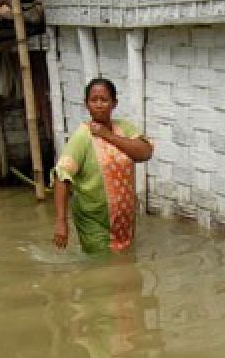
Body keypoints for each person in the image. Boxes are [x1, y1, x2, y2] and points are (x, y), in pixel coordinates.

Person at [52, 78, 153, 253]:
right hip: (94, 222)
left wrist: (107, 135)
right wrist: (61, 221)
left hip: (124, 220)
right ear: (86, 104)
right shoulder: (82, 137)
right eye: (94, 100)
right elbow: (62, 176)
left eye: (104, 100)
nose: (99, 105)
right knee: (101, 268)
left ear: (114, 103)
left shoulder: (124, 128)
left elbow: (145, 152)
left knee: (125, 268)